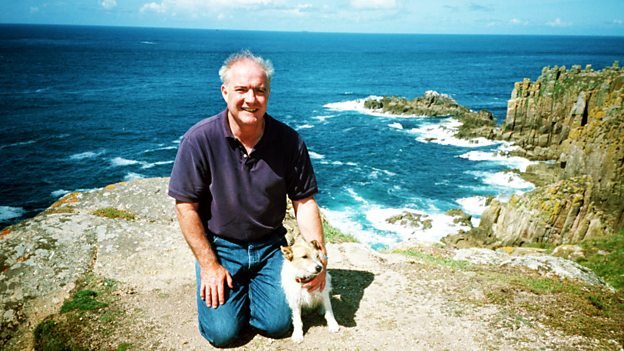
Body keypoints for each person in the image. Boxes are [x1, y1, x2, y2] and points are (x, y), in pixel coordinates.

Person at [168, 50, 328, 347]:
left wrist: (320, 260)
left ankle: (252, 288)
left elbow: (304, 202)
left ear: (268, 93)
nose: (251, 99)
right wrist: (209, 265)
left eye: (260, 90)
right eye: (241, 90)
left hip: (271, 246)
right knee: (223, 333)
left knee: (278, 324)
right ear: (225, 92)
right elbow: (186, 207)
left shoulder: (289, 141)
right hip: (222, 247)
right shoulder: (199, 139)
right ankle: (233, 290)